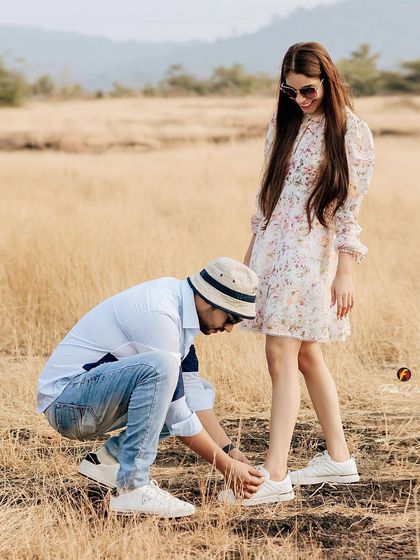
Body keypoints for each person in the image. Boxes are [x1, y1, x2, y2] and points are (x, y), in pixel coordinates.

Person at [220, 42, 375, 506]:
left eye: (308, 90)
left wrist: (345, 270)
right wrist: (247, 266)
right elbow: (266, 200)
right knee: (306, 355)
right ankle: (340, 459)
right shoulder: (283, 122)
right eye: (291, 92)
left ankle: (275, 474)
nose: (301, 99)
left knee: (280, 355)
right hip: (272, 250)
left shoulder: (352, 133)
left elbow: (348, 209)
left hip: (310, 253)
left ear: (328, 79)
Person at [38, 257, 265, 517]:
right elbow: (176, 412)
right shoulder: (161, 312)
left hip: (90, 400)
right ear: (208, 300)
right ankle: (133, 488)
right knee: (163, 367)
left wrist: (230, 453)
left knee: (200, 388)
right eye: (231, 317)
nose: (229, 329)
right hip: (68, 405)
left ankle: (109, 462)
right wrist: (225, 466)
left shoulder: (183, 312)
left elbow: (191, 397)